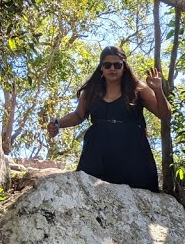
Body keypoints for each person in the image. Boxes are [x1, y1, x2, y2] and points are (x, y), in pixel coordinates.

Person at [47, 46, 171, 192]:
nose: (112, 68)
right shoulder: (91, 92)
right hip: (97, 154)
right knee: (90, 193)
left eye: (117, 65)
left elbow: (164, 114)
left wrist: (158, 90)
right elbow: (78, 115)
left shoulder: (137, 88)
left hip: (133, 154)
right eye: (107, 65)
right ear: (101, 68)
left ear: (124, 67)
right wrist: (58, 123)